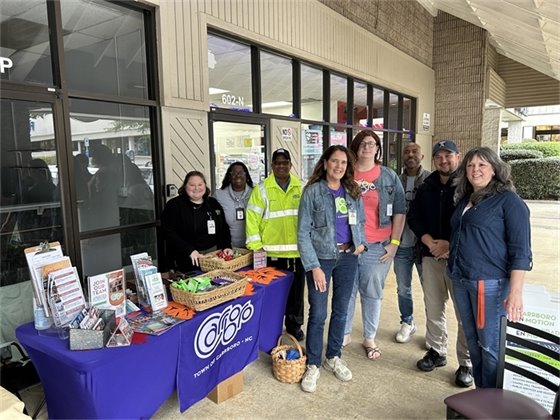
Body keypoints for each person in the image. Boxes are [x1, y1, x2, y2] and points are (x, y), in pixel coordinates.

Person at [448, 147, 532, 388]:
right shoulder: (466, 198)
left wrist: (515, 293)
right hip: (460, 279)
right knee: (473, 341)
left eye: (482, 165)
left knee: (490, 346)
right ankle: (481, 395)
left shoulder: (509, 201)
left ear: (494, 169)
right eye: (471, 165)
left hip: (487, 285)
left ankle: (492, 402)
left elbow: (521, 251)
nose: (476, 170)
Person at [297, 145, 367, 393]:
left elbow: (361, 221)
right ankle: (313, 364)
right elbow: (303, 233)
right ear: (325, 163)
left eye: (344, 163)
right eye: (335, 161)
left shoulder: (352, 191)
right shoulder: (313, 192)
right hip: (322, 259)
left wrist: (361, 244)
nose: (339, 166)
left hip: (348, 257)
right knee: (317, 313)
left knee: (341, 309)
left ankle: (333, 357)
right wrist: (314, 266)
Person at [407, 140, 473, 388]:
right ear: (433, 160)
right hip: (431, 256)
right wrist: (427, 240)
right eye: (439, 157)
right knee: (434, 307)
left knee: (463, 312)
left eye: (448, 156)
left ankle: (466, 363)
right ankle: (437, 351)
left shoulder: (468, 185)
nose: (444, 161)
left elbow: (473, 222)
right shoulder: (428, 186)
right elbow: (414, 216)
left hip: (460, 260)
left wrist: (449, 245)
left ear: (458, 156)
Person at [343, 130, 406, 360]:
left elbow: (399, 210)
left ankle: (369, 337)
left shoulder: (388, 176)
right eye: (362, 144)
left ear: (378, 148)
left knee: (371, 293)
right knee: (346, 291)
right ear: (355, 148)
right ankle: (345, 333)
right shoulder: (345, 173)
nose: (367, 148)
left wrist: (395, 244)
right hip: (349, 244)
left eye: (372, 144)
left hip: (378, 245)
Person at [246, 148, 305, 341]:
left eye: (285, 162)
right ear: (271, 166)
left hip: (297, 253)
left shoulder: (300, 186)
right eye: (277, 162)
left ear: (290, 164)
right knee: (273, 296)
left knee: (296, 296)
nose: (281, 166)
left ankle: (294, 326)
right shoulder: (261, 189)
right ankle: (272, 329)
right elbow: (252, 219)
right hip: (271, 254)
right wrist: (257, 247)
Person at [393, 143, 431, 343]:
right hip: (401, 245)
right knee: (403, 288)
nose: (410, 155)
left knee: (430, 289)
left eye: (414, 151)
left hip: (424, 247)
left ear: (422, 155)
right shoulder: (396, 180)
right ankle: (407, 322)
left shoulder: (430, 180)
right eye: (406, 151)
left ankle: (432, 331)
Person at [161, 171, 232, 273]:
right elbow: (168, 232)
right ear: (185, 186)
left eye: (200, 184)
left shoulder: (213, 203)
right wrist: (188, 250)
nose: (196, 188)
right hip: (186, 259)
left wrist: (227, 246)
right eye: (192, 185)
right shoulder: (174, 205)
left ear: (205, 185)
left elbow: (224, 227)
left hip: (212, 258)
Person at [214, 162, 254, 248]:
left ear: (246, 176)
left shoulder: (255, 193)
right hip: (227, 248)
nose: (238, 175)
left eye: (241, 173)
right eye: (234, 173)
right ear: (229, 176)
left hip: (253, 247)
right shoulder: (219, 195)